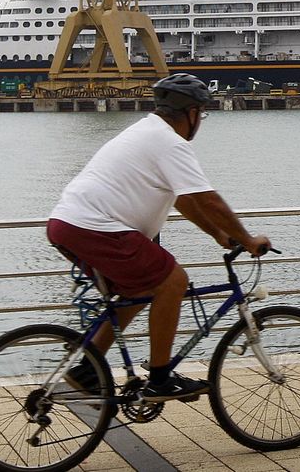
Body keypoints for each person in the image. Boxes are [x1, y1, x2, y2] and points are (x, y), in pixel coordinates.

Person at [46, 73, 270, 401]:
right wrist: (248, 240)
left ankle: (87, 369)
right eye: (202, 114)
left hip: (68, 224)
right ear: (192, 113)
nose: (201, 122)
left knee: (136, 290)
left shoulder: (146, 131)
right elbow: (208, 199)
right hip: (96, 227)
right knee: (173, 281)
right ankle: (160, 379)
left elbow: (184, 199)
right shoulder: (170, 142)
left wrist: (219, 234)